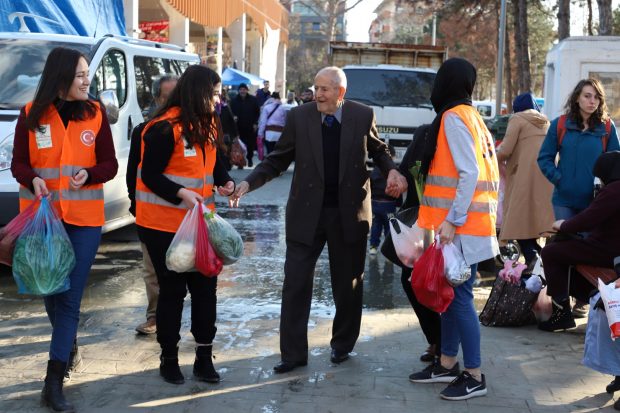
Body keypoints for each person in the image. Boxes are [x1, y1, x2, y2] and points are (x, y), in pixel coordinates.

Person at [231, 66, 408, 374]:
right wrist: (249, 182)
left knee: (348, 285)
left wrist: (392, 169)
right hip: (306, 215)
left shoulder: (362, 115)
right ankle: (293, 354)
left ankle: (342, 345)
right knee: (296, 283)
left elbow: (379, 150)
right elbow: (277, 159)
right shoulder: (299, 118)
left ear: (341, 92)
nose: (318, 94)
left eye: (325, 89)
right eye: (316, 88)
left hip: (348, 213)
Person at [11, 47, 118, 411]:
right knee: (49, 290)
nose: (88, 80)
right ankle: (67, 342)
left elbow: (110, 165)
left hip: (84, 221)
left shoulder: (96, 114)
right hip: (44, 220)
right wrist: (33, 179)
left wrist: (90, 173)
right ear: (60, 78)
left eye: (88, 74)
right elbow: (19, 166)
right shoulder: (30, 115)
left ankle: (53, 380)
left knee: (69, 296)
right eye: (80, 75)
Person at [135, 65, 235, 385]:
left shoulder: (207, 124)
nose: (218, 101)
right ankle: (169, 359)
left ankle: (204, 359)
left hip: (200, 225)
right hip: (164, 226)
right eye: (215, 94)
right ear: (200, 92)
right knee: (173, 292)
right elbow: (149, 175)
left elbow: (215, 165)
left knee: (206, 291)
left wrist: (226, 182)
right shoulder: (164, 128)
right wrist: (181, 194)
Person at [408, 58, 499, 401]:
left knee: (459, 298)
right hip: (468, 224)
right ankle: (447, 362)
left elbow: (469, 172)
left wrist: (452, 220)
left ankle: (474, 374)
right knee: (449, 297)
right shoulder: (474, 118)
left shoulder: (452, 118)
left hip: (460, 226)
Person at [537, 78, 619, 316]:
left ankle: (585, 300)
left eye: (596, 97)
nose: (592, 101)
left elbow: (616, 162)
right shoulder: (560, 125)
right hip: (563, 200)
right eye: (587, 96)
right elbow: (544, 158)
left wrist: (604, 192)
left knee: (589, 252)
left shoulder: (606, 127)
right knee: (565, 250)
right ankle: (564, 303)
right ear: (576, 98)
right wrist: (559, 178)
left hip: (595, 204)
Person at [538, 151, 620, 332]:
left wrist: (563, 225)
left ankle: (561, 313)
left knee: (551, 252)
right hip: (611, 250)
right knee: (565, 252)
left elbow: (588, 219)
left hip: (607, 250)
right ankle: (580, 300)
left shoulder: (614, 190)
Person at [130, 75, 179, 337]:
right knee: (152, 271)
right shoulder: (144, 130)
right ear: (157, 98)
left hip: (185, 216)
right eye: (166, 96)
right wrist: (134, 205)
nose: (171, 101)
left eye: (176, 94)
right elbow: (133, 174)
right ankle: (154, 316)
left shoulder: (191, 129)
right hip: (152, 217)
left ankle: (178, 317)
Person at [397, 124, 442, 364]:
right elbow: (404, 173)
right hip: (418, 227)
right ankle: (435, 340)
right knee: (411, 280)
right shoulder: (424, 134)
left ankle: (445, 345)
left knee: (442, 285)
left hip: (448, 229)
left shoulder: (455, 139)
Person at [496, 92, 554, 271]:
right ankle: (540, 257)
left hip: (523, 177)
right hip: (547, 178)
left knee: (517, 221)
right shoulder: (546, 122)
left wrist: (490, 160)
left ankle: (532, 256)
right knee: (537, 221)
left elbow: (505, 149)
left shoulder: (517, 119)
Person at [368, 145, 401, 256]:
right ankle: (389, 250)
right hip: (390, 205)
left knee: (376, 225)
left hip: (376, 204)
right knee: (390, 227)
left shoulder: (375, 171)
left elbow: (370, 188)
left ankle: (373, 247)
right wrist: (399, 204)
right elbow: (399, 191)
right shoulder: (395, 172)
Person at [230, 82, 260, 167]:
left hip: (250, 126)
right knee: (240, 145)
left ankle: (250, 159)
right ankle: (240, 162)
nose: (242, 91)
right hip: (238, 127)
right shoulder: (234, 100)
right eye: (241, 89)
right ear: (238, 91)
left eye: (244, 89)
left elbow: (257, 113)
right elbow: (230, 112)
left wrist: (255, 123)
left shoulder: (253, 100)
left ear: (247, 90)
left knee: (250, 145)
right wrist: (233, 117)